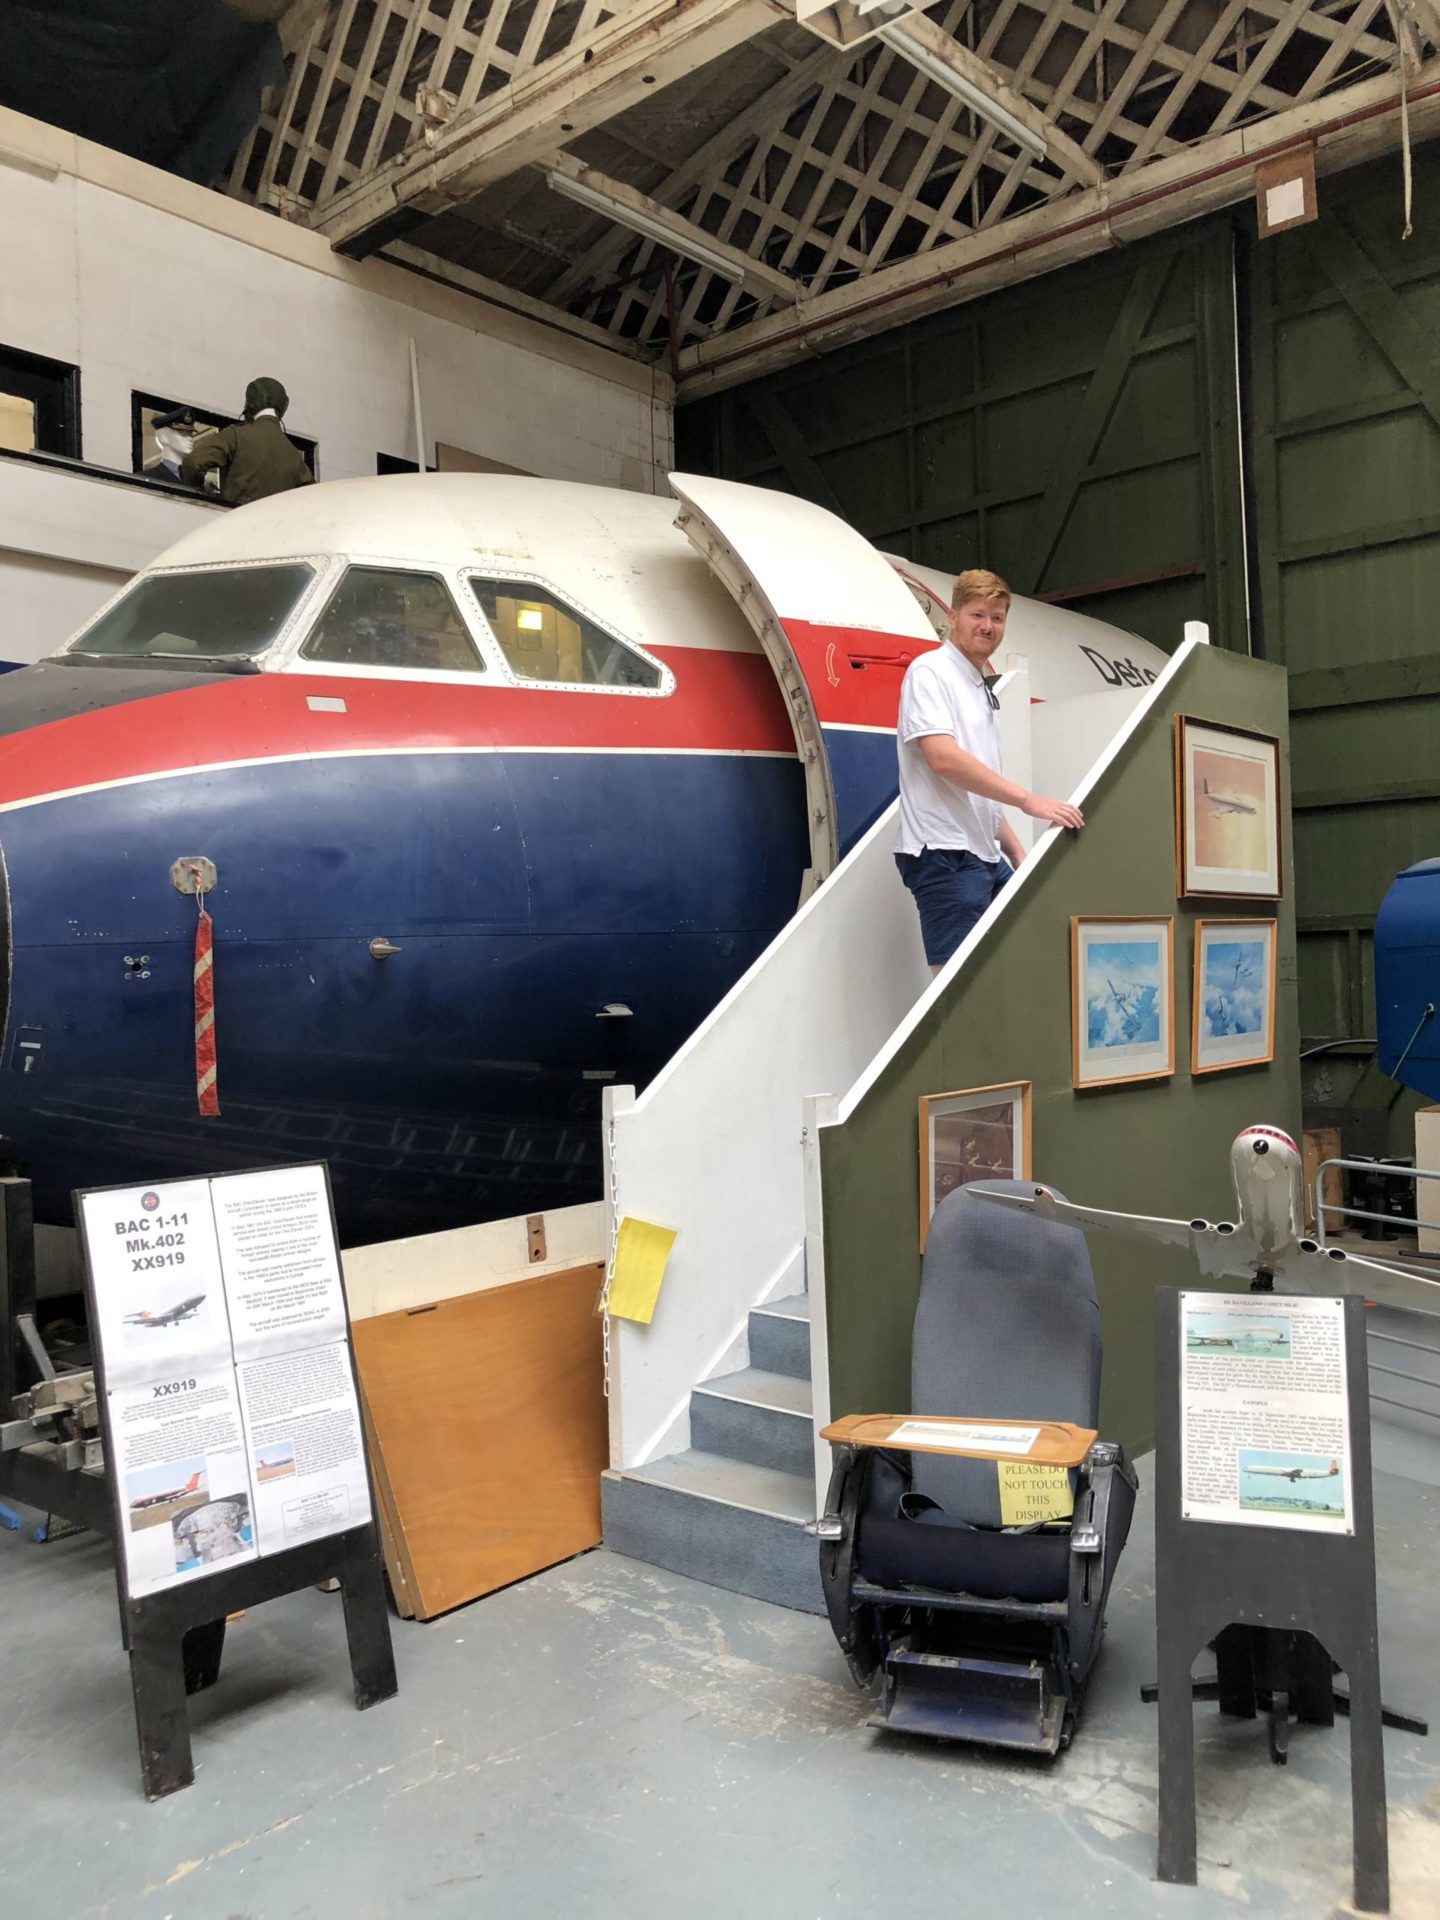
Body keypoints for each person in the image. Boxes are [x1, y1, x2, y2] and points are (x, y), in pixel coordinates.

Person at [895, 567, 1084, 973]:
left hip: (982, 852)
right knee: (957, 990)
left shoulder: (978, 684)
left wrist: (1016, 851)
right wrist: (1027, 800)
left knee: (1006, 974)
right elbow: (942, 759)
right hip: (946, 853)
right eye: (977, 615)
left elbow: (974, 786)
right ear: (953, 616)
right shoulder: (930, 672)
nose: (988, 626)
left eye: (997, 618)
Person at [180, 376, 313, 505]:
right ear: (283, 407)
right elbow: (312, 498)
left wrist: (205, 491)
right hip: (276, 525)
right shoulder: (294, 455)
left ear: (249, 404)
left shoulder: (236, 435)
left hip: (238, 522)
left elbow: (192, 464)